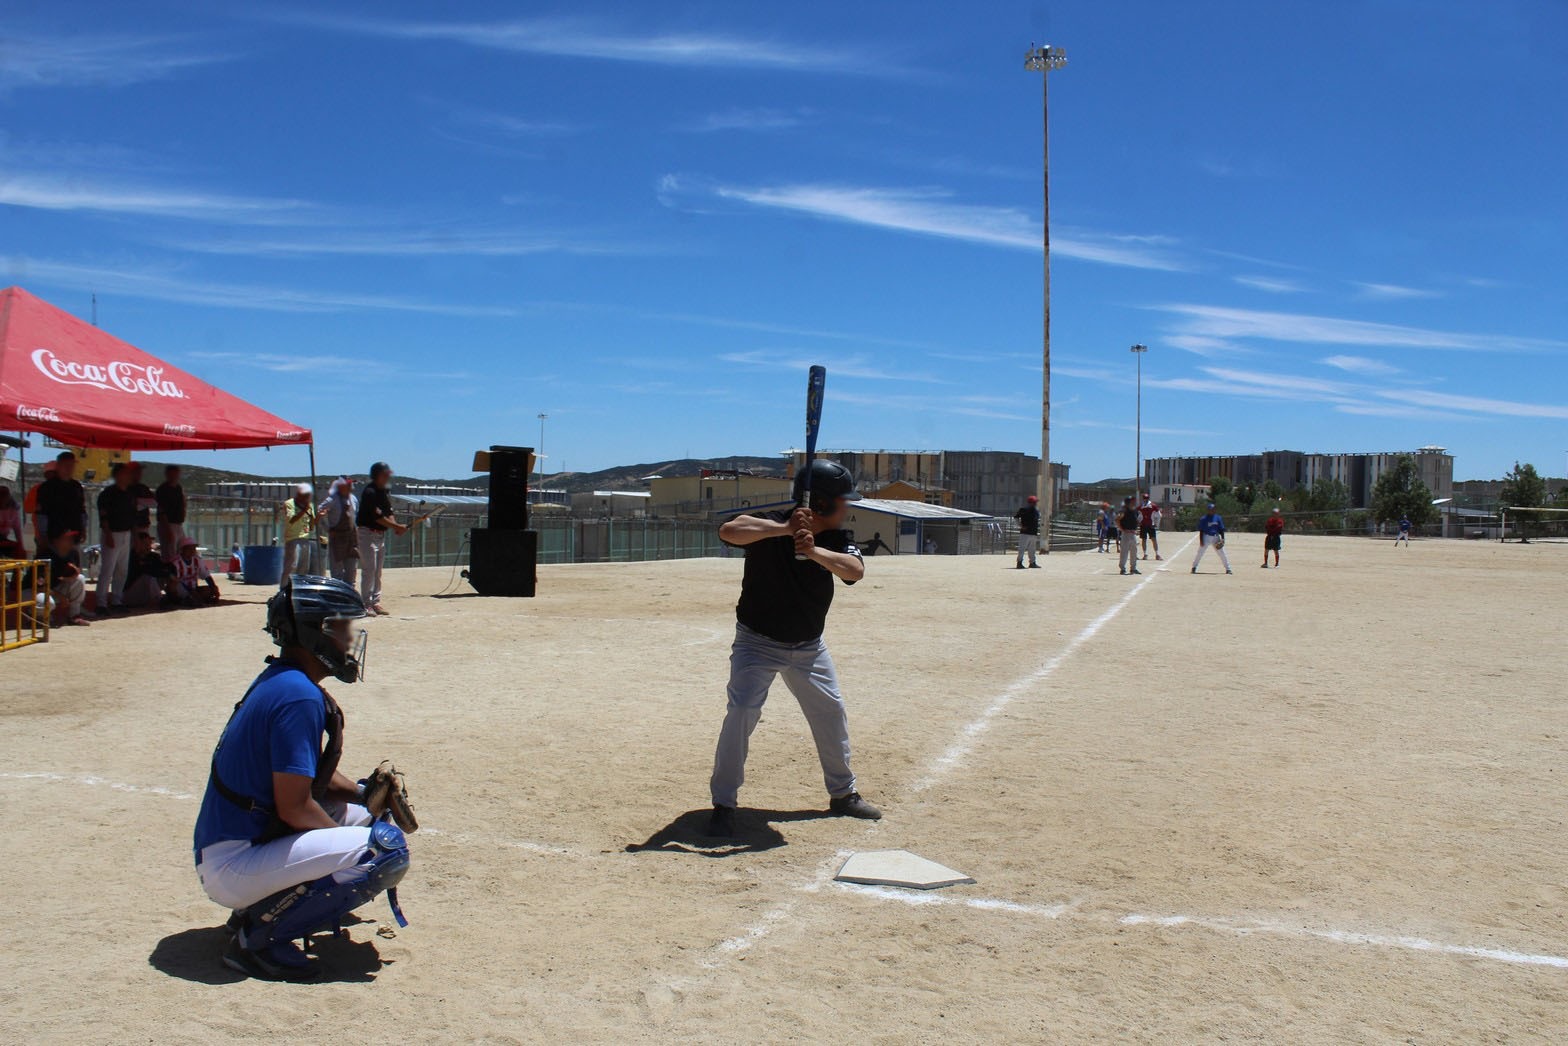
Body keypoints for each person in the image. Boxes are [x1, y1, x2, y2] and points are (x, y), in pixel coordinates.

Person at [192, 576, 409, 982]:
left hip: (236, 848)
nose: (349, 639)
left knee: (370, 820)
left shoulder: (286, 680)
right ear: (317, 632)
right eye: (342, 628)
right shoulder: (298, 697)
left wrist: (364, 795)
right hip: (234, 864)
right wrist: (341, 855)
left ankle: (260, 910)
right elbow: (294, 806)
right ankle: (257, 939)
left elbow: (309, 780)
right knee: (381, 849)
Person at [707, 459, 881, 837]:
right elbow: (729, 530)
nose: (847, 507)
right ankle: (723, 803)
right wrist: (785, 530)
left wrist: (813, 550)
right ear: (818, 502)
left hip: (808, 647)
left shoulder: (835, 536)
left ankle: (843, 794)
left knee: (831, 712)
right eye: (841, 501)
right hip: (758, 641)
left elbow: (855, 570)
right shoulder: (772, 521)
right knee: (741, 712)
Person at [356, 463, 408, 616]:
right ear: (377, 474)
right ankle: (366, 603)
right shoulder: (370, 492)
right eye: (385, 474)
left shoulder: (383, 492)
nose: (388, 477)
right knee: (369, 570)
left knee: (377, 571)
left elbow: (388, 512)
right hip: (367, 534)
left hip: (380, 535)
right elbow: (377, 517)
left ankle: (376, 602)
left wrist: (395, 525)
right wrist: (396, 526)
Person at [96, 462, 138, 615]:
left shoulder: (129, 495)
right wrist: (108, 535)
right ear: (118, 475)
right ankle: (101, 602)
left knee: (122, 570)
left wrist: (135, 537)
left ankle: (116, 600)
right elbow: (104, 516)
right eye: (125, 473)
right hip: (112, 533)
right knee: (107, 569)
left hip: (126, 533)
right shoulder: (107, 494)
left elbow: (133, 517)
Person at [40, 529, 91, 626]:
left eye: (71, 538)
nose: (71, 540)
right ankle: (40, 619)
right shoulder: (45, 555)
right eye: (66, 538)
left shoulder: (73, 553)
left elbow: (70, 576)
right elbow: (39, 586)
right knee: (46, 601)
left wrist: (72, 576)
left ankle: (74, 615)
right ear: (56, 541)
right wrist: (61, 596)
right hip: (34, 591)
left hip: (54, 589)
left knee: (80, 578)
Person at [36, 451, 86, 547]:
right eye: (66, 465)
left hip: (74, 534)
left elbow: (82, 510)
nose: (69, 468)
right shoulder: (47, 487)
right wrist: (43, 536)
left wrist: (83, 529)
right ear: (58, 466)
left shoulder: (76, 486)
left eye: (71, 465)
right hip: (55, 536)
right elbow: (41, 514)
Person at [321, 477, 360, 586]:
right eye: (349, 484)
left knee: (351, 570)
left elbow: (355, 517)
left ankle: (350, 595)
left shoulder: (354, 499)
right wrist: (327, 529)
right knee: (337, 572)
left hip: (352, 538)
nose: (351, 486)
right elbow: (319, 513)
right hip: (337, 538)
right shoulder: (332, 499)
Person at [123, 531, 173, 608]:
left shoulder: (153, 556)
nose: (148, 547)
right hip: (129, 595)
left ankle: (175, 596)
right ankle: (159, 600)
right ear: (137, 543)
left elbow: (163, 567)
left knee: (169, 574)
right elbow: (147, 570)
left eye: (149, 544)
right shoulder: (130, 557)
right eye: (145, 544)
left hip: (144, 595)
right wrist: (167, 574)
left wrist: (172, 572)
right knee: (149, 577)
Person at [281, 484, 317, 585]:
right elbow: (291, 520)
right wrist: (304, 510)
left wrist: (317, 518)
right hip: (293, 539)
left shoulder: (310, 505)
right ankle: (284, 588)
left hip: (305, 539)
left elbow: (311, 526)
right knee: (292, 566)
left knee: (303, 567)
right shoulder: (289, 504)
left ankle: (299, 588)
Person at [171, 539, 221, 605]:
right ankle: (179, 600)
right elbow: (172, 581)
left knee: (209, 590)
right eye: (189, 549)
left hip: (194, 589)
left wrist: (213, 587)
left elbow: (206, 575)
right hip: (180, 589)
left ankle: (192, 599)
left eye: (194, 548)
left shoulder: (197, 560)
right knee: (173, 587)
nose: (192, 551)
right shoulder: (175, 562)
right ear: (182, 550)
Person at [156, 465, 188, 561]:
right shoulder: (163, 489)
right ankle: (169, 573)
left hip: (178, 524)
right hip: (168, 524)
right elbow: (161, 511)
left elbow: (183, 503)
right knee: (169, 553)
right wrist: (167, 529)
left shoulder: (178, 488)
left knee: (181, 549)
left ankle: (179, 572)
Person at [1191, 502, 1232, 574]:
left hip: (1216, 538)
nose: (1212, 510)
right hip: (1206, 537)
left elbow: (1221, 529)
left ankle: (1228, 569)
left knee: (1222, 553)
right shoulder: (1203, 519)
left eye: (1213, 509)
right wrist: (1201, 541)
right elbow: (1201, 530)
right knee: (1200, 553)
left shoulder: (1218, 518)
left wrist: (1222, 539)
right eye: (1210, 509)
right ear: (1208, 510)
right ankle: (1194, 567)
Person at [128, 461, 156, 537]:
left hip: (143, 526)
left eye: (140, 471)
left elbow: (154, 503)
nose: (140, 473)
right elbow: (128, 506)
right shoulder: (125, 487)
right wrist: (143, 503)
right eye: (136, 471)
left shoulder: (143, 487)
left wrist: (138, 501)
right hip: (128, 528)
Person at [1014, 494, 1042, 569]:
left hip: (1033, 532)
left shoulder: (1036, 511)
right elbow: (1016, 518)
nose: (1035, 503)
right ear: (1030, 502)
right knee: (1022, 548)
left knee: (1032, 549)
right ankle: (1019, 563)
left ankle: (1032, 563)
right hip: (1025, 533)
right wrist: (1020, 526)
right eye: (1034, 502)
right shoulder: (1023, 509)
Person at [1117, 496, 1142, 576]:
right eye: (1132, 501)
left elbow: (1137, 520)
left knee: (1134, 552)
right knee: (1124, 552)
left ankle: (1133, 568)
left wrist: (1137, 527)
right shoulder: (1124, 511)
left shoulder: (1135, 511)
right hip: (1126, 533)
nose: (1134, 502)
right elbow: (1117, 520)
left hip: (1133, 533)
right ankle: (1122, 569)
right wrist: (1122, 529)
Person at [0, 486, 24, 558]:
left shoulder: (14, 509)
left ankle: (19, 568)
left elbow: (17, 529)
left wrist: (20, 544)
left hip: (4, 538)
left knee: (18, 549)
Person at [1139, 494, 1163, 561]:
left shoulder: (1153, 506)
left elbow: (1159, 515)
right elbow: (1139, 515)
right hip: (1143, 525)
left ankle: (1157, 554)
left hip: (1150, 525)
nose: (1145, 499)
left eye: (1146, 498)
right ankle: (1145, 554)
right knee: (1144, 539)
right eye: (1144, 498)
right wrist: (1139, 521)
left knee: (1153, 539)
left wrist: (1156, 524)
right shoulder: (1141, 506)